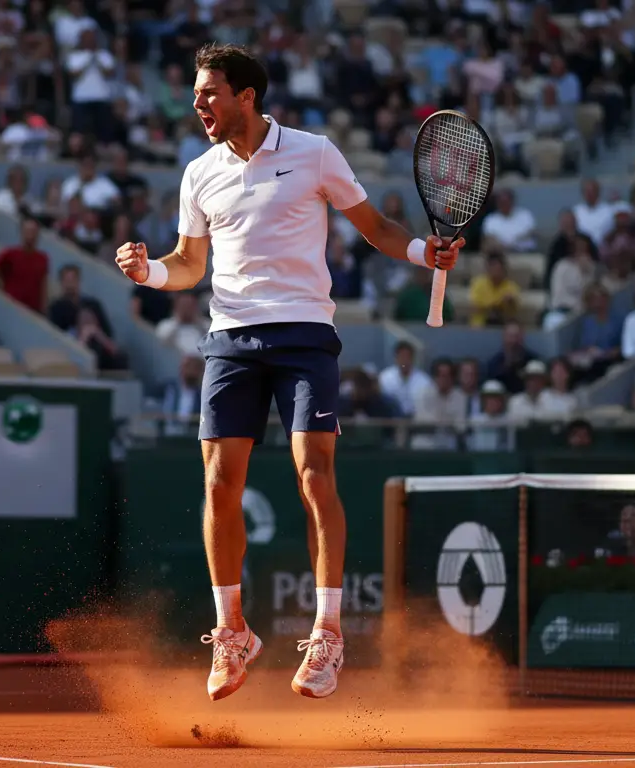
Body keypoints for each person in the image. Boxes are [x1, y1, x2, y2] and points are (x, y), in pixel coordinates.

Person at [113, 43, 462, 703]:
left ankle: (328, 633)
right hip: (230, 339)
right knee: (220, 484)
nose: (198, 104)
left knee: (313, 474)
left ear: (246, 96)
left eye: (210, 93)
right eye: (196, 94)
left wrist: (425, 251)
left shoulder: (315, 152)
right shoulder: (198, 173)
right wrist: (148, 272)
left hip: (304, 333)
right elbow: (189, 264)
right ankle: (231, 632)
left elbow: (375, 227)